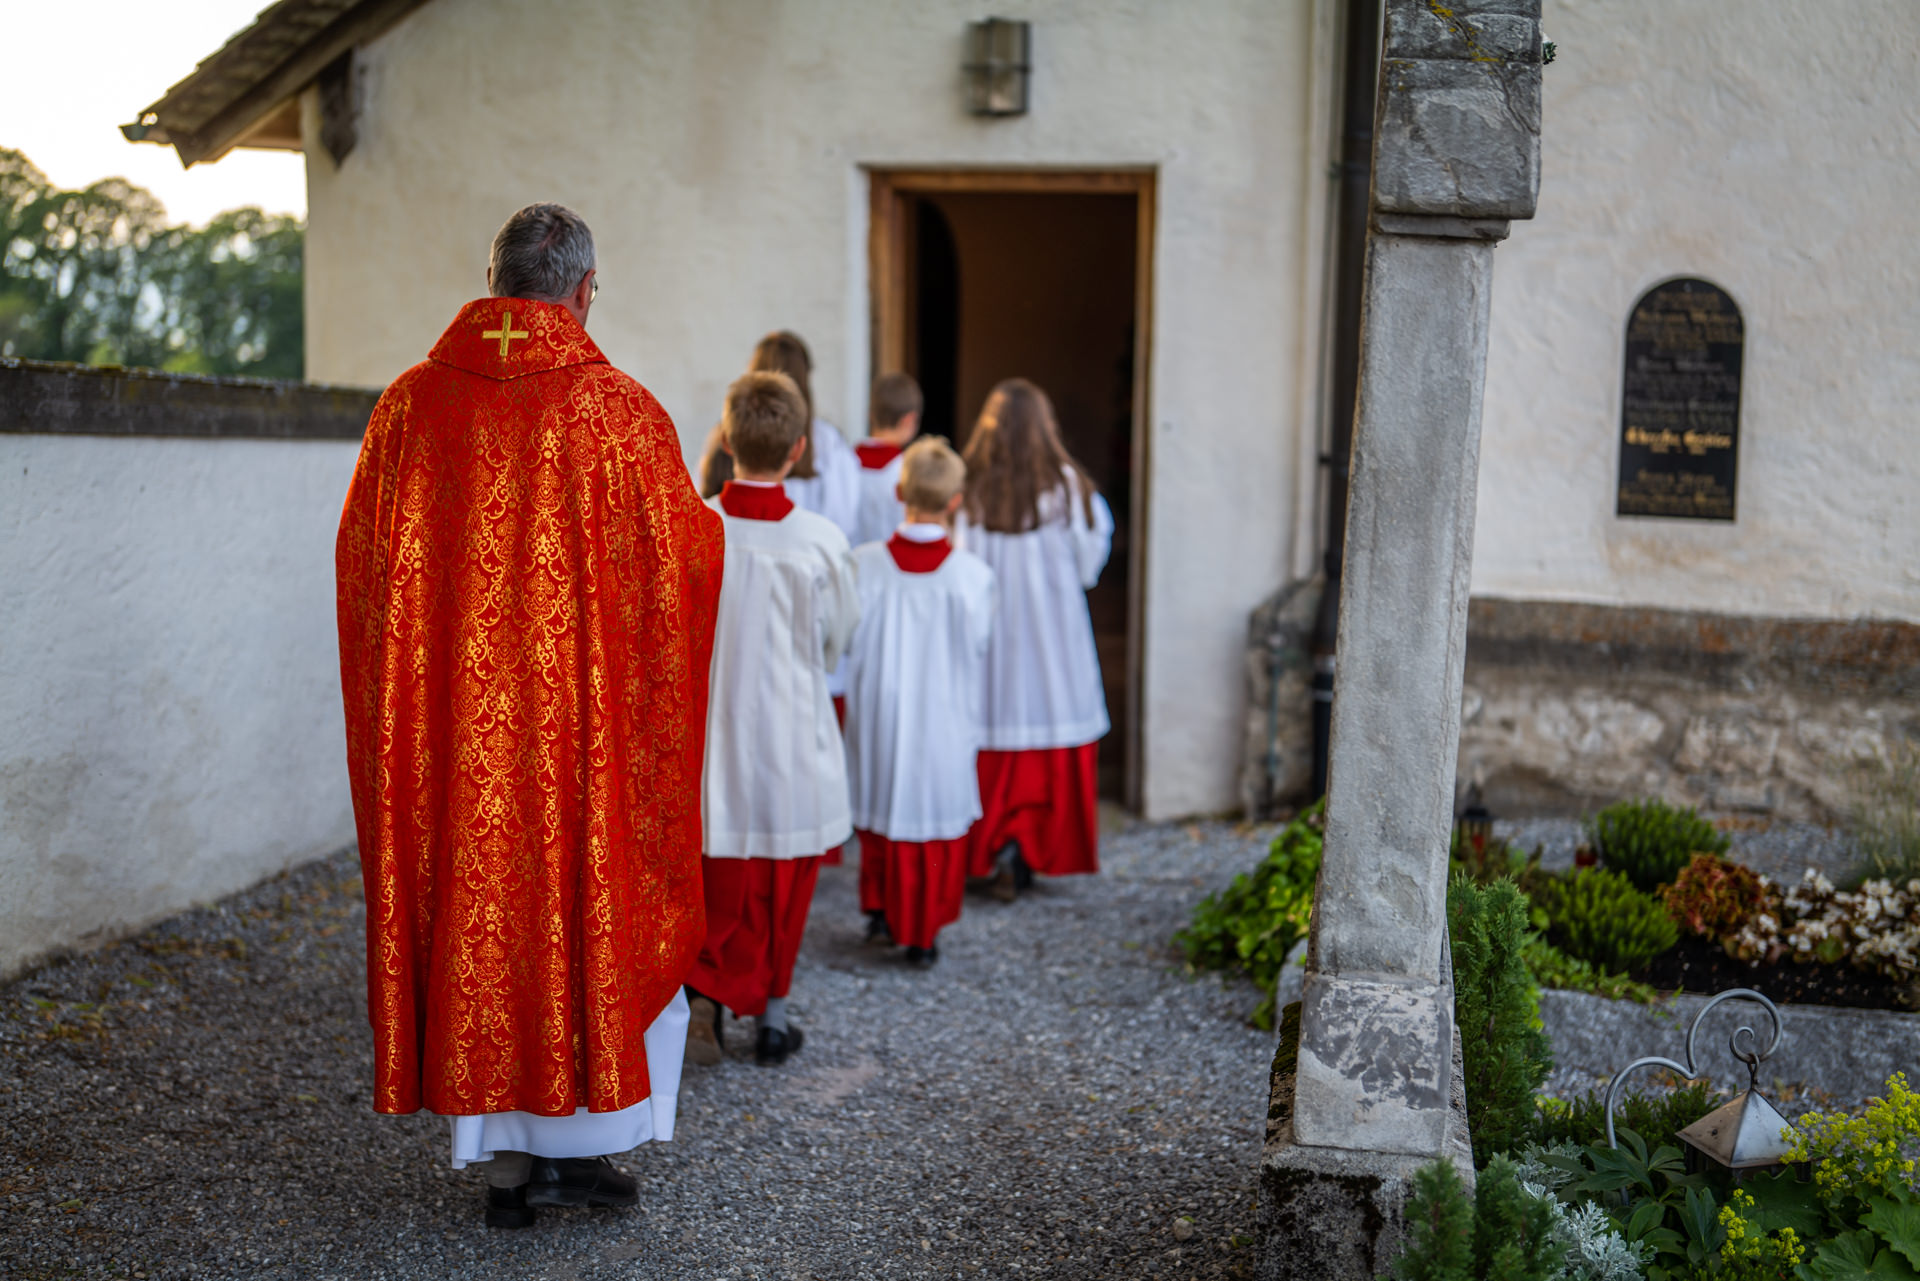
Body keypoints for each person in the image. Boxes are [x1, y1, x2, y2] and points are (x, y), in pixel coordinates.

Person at [336, 203, 724, 1230]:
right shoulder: (622, 413)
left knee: (484, 921)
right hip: (582, 743)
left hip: (457, 745)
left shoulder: (409, 407)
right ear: (585, 291)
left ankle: (508, 1170)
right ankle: (581, 1156)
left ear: (493, 281)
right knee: (590, 914)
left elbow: (365, 569)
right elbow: (682, 565)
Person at [684, 370, 859, 1067]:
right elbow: (837, 641)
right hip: (790, 738)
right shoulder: (820, 541)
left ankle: (704, 994)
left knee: (710, 877)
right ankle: (774, 1016)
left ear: (727, 441)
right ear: (798, 449)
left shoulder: (694, 527)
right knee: (784, 881)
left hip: (710, 738)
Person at [955, 378, 1114, 900]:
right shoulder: (1071, 490)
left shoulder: (966, 487)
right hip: (1051, 646)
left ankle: (994, 845)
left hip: (990, 649)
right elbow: (1089, 567)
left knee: (990, 737)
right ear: (1045, 428)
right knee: (1046, 736)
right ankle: (1026, 848)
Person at [844, 438, 995, 967]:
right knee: (931, 820)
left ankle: (881, 911)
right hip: (942, 715)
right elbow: (980, 643)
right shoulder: (973, 577)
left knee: (881, 809)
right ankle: (924, 931)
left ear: (899, 492)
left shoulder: (862, 565)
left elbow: (845, 637)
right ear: (956, 501)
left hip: (880, 712)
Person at [851, 372, 923, 548]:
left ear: (870, 414)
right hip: (890, 562)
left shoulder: (844, 461)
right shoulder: (909, 470)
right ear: (909, 420)